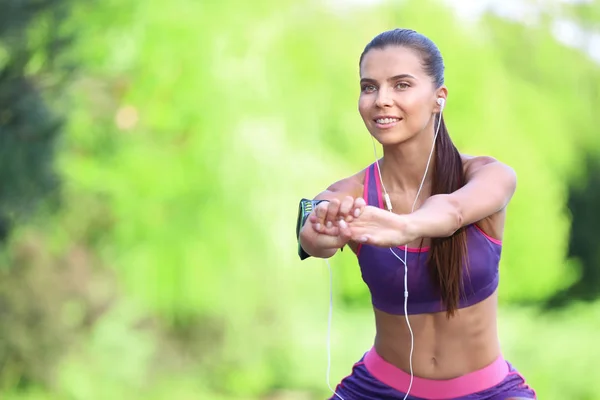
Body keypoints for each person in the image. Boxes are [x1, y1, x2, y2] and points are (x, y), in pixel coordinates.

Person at [296, 29, 537, 400]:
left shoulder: (487, 175)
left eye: (401, 85)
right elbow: (315, 223)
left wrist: (405, 227)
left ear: (438, 98)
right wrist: (320, 230)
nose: (382, 100)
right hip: (377, 389)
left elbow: (453, 209)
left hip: (487, 392)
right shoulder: (356, 193)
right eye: (369, 87)